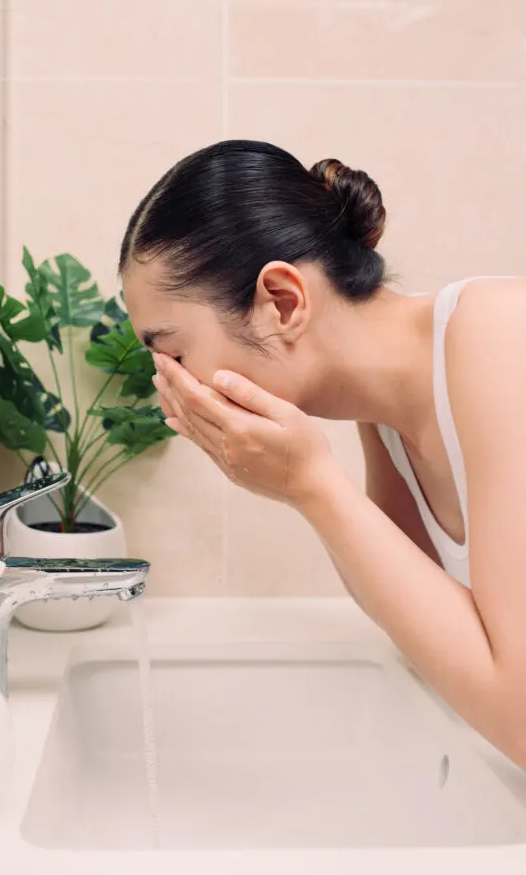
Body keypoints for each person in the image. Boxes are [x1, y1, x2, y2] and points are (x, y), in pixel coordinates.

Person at [119, 138, 526, 766]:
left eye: (174, 354)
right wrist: (303, 489)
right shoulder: (385, 405)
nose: (173, 386)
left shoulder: (501, 338)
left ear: (282, 300)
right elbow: (422, 635)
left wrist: (315, 486)